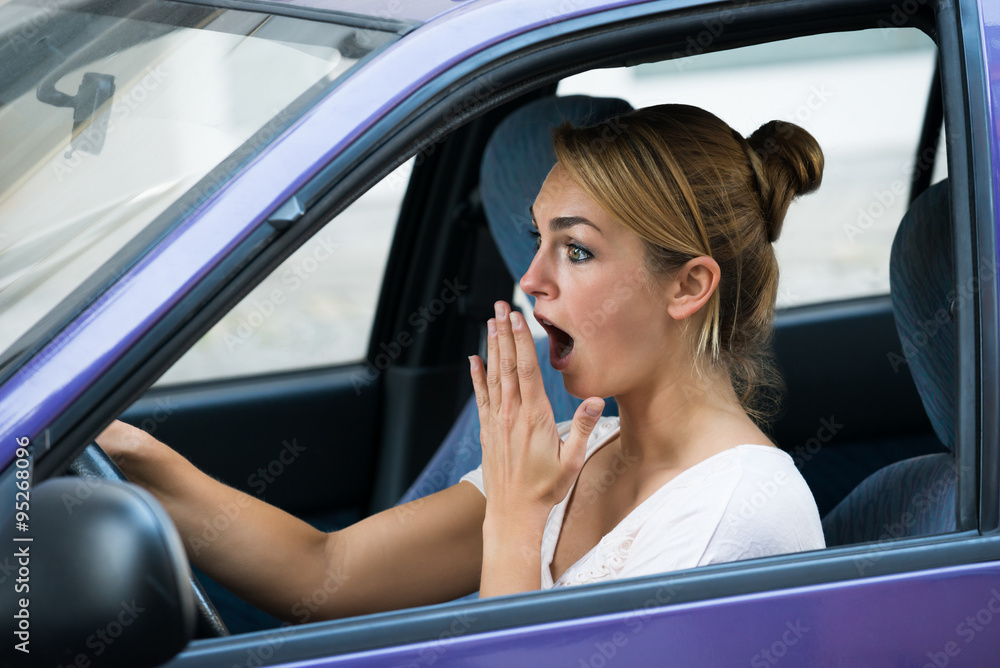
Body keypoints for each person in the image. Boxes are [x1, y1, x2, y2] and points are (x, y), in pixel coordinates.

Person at [97, 103, 826, 622]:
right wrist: (126, 455)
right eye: (536, 240)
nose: (532, 279)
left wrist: (514, 517)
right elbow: (323, 572)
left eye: (575, 250)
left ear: (689, 285)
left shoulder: (734, 519)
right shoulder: (588, 446)